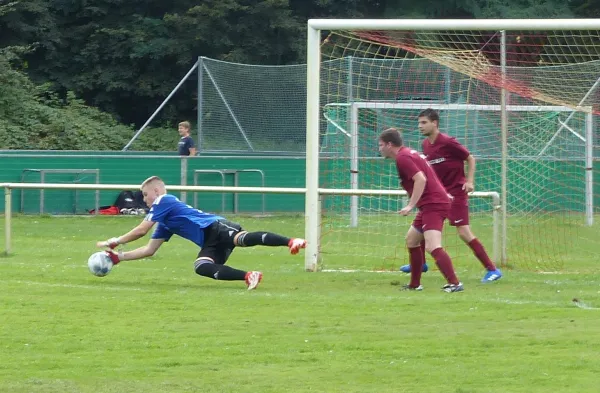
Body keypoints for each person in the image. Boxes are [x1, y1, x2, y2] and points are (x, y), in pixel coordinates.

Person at [96, 176, 307, 290]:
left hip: (215, 226)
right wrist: (118, 257)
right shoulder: (165, 221)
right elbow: (149, 249)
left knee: (241, 239)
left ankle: (291, 241)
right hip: (209, 241)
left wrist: (115, 241)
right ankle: (249, 276)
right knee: (201, 266)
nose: (144, 199)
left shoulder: (164, 201)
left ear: (157, 191)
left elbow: (141, 230)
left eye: (145, 194)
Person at [399, 108, 502, 283]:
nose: (420, 126)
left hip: (456, 193)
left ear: (435, 123)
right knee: (422, 227)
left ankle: (492, 269)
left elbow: (470, 158)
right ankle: (421, 263)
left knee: (463, 232)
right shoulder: (425, 145)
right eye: (419, 123)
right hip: (438, 196)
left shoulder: (448, 142)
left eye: (424, 122)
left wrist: (469, 181)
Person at [378, 128, 463, 292]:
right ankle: (415, 284)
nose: (379, 148)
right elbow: (428, 175)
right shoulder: (408, 153)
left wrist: (410, 205)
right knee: (412, 240)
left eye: (381, 145)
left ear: (389, 144)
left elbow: (421, 179)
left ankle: (455, 283)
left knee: (433, 246)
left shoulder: (403, 157)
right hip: (431, 203)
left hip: (434, 204)